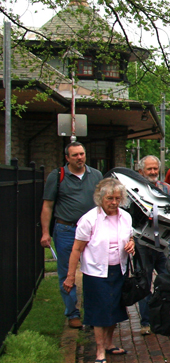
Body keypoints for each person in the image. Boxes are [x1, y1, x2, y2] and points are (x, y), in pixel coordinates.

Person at [62, 178, 135, 363]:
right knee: (99, 311)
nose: (114, 202)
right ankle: (99, 350)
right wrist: (70, 276)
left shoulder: (126, 217)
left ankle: (110, 343)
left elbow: (130, 236)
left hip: (119, 269)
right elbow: (77, 249)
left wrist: (131, 244)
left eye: (117, 198)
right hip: (96, 272)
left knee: (115, 308)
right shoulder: (89, 219)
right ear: (100, 198)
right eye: (109, 198)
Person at [40, 141, 104, 329]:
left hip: (92, 231)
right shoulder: (57, 176)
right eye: (75, 155)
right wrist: (45, 232)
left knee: (94, 271)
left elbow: (103, 203)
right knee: (66, 273)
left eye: (82, 154)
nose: (79, 158)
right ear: (67, 158)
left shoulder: (96, 175)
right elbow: (48, 205)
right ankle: (72, 312)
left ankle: (93, 312)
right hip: (66, 230)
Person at [136, 155, 170, 336]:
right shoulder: (134, 189)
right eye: (149, 169)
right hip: (142, 243)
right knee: (144, 282)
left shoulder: (166, 188)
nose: (153, 172)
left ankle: (167, 318)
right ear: (141, 171)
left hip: (163, 242)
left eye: (155, 169)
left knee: (168, 279)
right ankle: (146, 321)